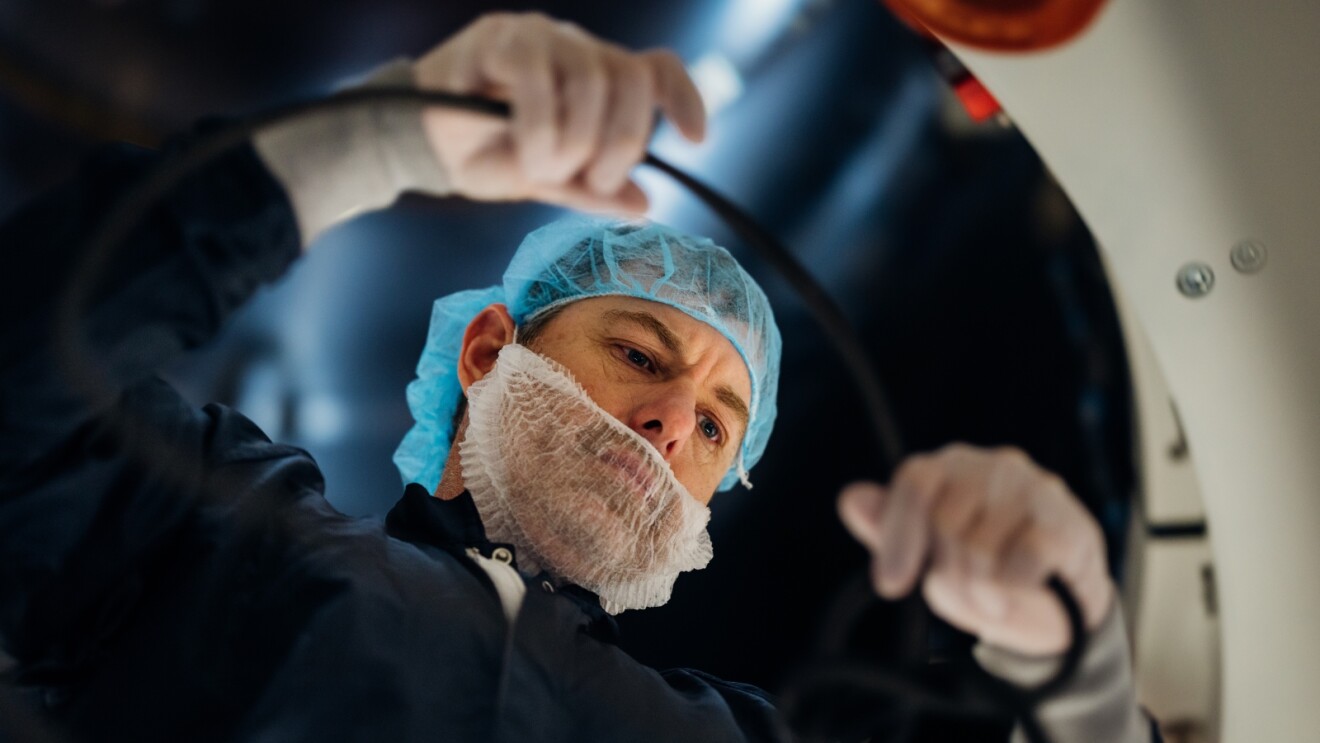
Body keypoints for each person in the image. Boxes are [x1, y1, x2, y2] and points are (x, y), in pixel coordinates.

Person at [0, 11, 1156, 742]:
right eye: (642, 357)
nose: (667, 422)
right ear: (490, 353)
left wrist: (1068, 647)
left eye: (716, 425)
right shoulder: (222, 540)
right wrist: (386, 138)